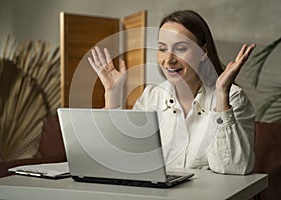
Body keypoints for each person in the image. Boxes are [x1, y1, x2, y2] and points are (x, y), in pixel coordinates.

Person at [88, 10, 256, 175]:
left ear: (203, 52)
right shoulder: (151, 97)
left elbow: (234, 168)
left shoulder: (232, 97)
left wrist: (221, 96)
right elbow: (119, 160)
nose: (168, 60)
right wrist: (113, 96)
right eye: (162, 49)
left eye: (181, 48)